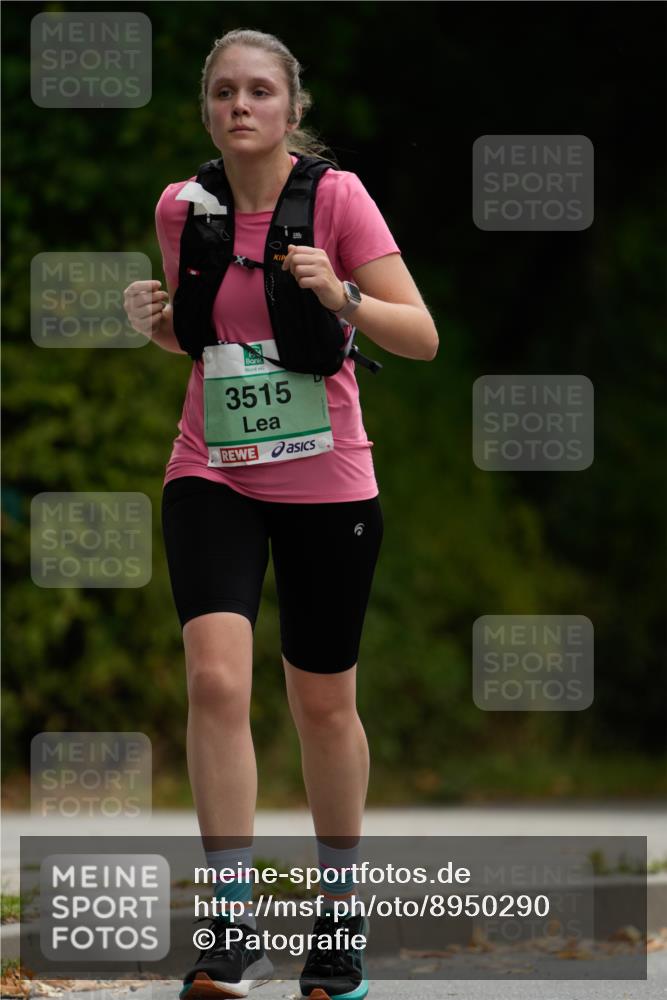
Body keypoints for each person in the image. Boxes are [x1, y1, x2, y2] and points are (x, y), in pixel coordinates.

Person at [124, 27, 438, 1000]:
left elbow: (420, 336)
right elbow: (206, 337)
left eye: (259, 90)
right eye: (223, 91)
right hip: (211, 469)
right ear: (206, 109)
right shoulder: (183, 208)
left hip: (326, 479)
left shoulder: (334, 198)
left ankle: (337, 918)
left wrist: (342, 295)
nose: (239, 105)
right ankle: (231, 926)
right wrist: (159, 324)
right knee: (216, 680)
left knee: (322, 702)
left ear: (291, 108)